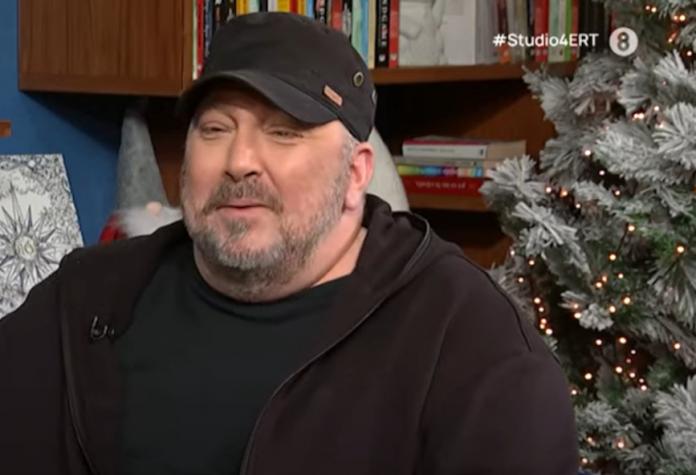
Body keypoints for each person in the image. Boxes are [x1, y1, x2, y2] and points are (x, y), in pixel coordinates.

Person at [0, 11, 579, 475]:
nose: (240, 161)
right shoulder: (88, 298)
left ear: (355, 174)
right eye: (216, 129)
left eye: (283, 132)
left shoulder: (470, 345)